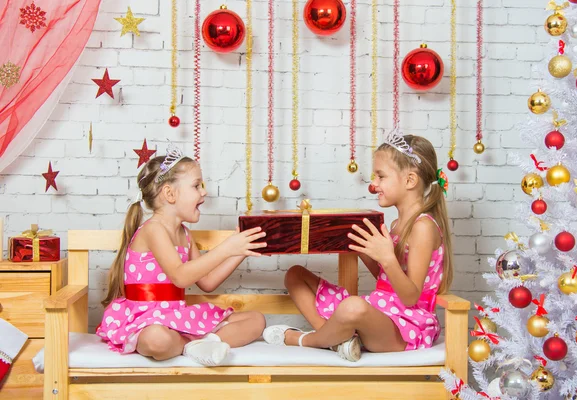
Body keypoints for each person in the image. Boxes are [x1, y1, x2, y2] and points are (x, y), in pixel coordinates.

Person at [263, 130, 453, 361]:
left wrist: (386, 257)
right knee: (295, 275)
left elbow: (410, 297)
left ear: (410, 180)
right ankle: (339, 340)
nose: (373, 184)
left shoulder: (423, 227)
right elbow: (387, 281)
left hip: (406, 326)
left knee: (353, 307)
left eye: (381, 177)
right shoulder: (396, 224)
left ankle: (307, 340)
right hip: (382, 310)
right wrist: (365, 252)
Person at [98, 145, 267, 366]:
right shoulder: (153, 229)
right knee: (157, 340)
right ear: (169, 193)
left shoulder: (185, 234)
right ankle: (195, 345)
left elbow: (207, 282)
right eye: (197, 185)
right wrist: (225, 248)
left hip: (175, 317)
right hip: (146, 320)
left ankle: (195, 345)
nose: (204, 192)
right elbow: (180, 277)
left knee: (256, 320)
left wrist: (240, 250)